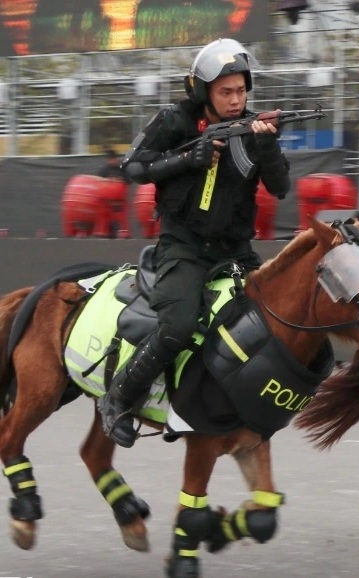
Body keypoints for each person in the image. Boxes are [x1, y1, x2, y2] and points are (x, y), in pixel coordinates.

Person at [99, 38, 290, 448]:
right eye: (225, 92)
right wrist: (188, 159)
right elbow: (133, 166)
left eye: (241, 90)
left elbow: (281, 188)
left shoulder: (255, 126)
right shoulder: (176, 120)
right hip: (183, 246)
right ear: (204, 91)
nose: (236, 99)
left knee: (272, 321)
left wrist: (268, 147)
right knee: (178, 326)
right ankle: (118, 398)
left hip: (235, 250)